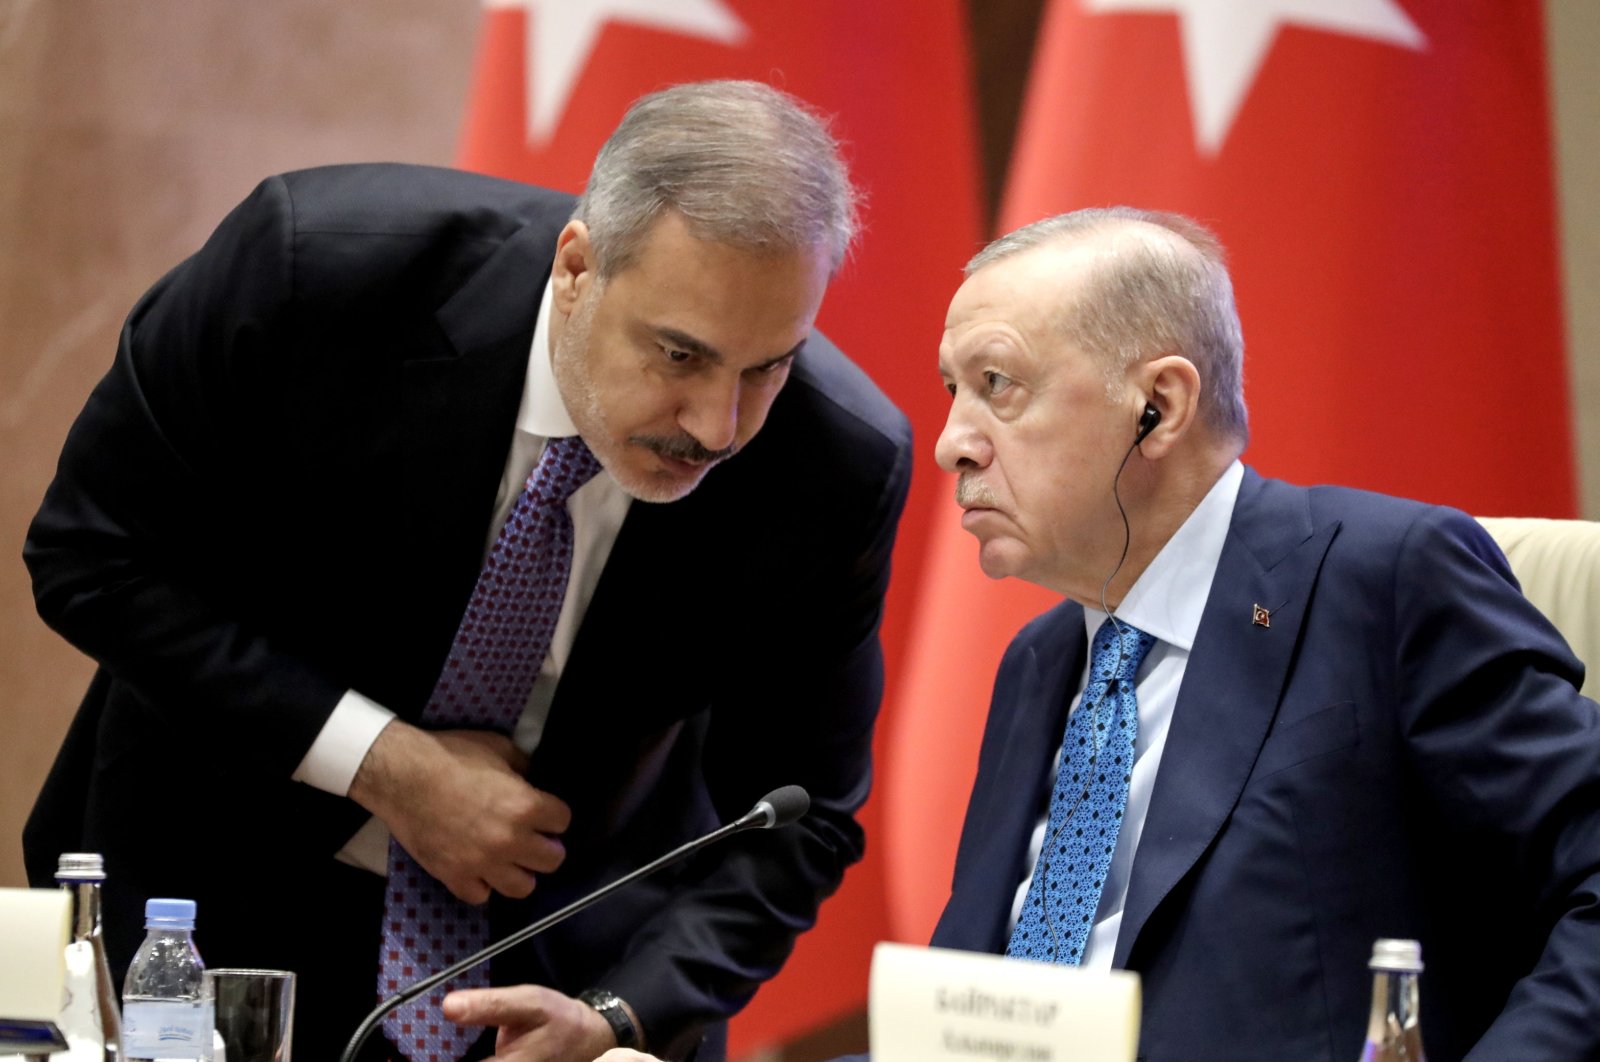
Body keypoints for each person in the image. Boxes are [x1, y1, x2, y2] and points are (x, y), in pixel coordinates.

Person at [22, 80, 912, 1062]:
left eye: (766, 367)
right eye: (679, 354)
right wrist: (384, 763)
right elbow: (91, 551)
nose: (718, 426)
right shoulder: (316, 276)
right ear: (576, 269)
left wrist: (620, 1014)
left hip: (553, 988)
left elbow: (795, 817)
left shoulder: (832, 465)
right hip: (204, 925)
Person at [610, 206, 1600, 1061]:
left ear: (1157, 407)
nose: (952, 439)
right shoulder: (1043, 665)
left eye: (997, 384)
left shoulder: (1379, 579)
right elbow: (987, 1028)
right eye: (952, 390)